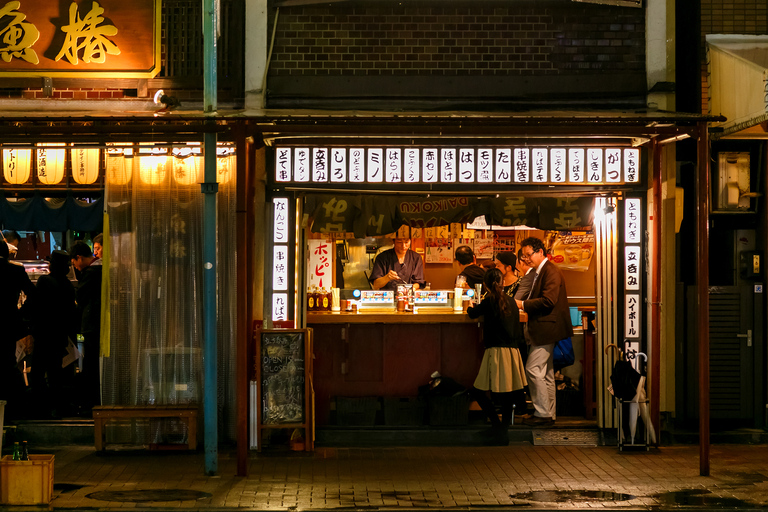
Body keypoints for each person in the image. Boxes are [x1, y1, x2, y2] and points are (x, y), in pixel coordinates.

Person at [515, 237, 573, 427]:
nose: (526, 259)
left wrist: (522, 304)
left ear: (540, 252)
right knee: (546, 372)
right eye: (523, 256)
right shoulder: (541, 272)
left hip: (547, 327)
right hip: (546, 327)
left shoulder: (550, 271)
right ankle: (549, 413)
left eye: (528, 255)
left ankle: (543, 413)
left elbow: (549, 300)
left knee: (533, 369)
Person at [467, 268, 527, 445]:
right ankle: (502, 431)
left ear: (485, 284)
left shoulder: (488, 301)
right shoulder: (510, 301)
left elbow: (472, 314)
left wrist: (470, 305)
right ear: (502, 282)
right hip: (513, 351)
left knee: (478, 391)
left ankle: (497, 427)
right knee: (507, 394)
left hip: (495, 351)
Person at [32, 250, 78, 418]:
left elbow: (35, 305)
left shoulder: (44, 281)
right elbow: (71, 312)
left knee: (37, 372)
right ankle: (57, 408)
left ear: (52, 265)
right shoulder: (68, 286)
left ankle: (39, 409)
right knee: (55, 373)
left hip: (43, 334)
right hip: (59, 336)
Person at [0, 240, 35, 420]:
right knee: (8, 361)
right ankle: (15, 406)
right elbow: (32, 293)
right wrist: (22, 313)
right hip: (8, 321)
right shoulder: (16, 270)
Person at [70, 241, 103, 414]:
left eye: (74, 262)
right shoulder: (99, 269)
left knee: (89, 363)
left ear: (79, 258)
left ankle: (90, 403)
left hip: (91, 326)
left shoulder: (91, 272)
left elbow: (80, 297)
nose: (74, 266)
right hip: (97, 324)